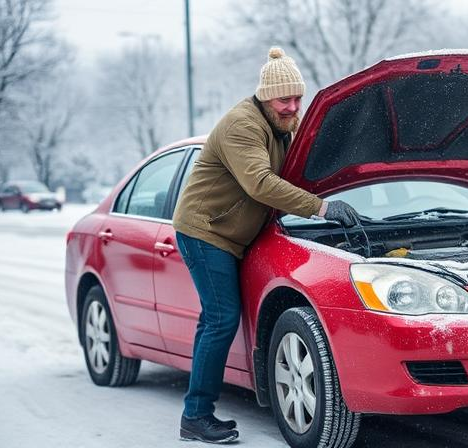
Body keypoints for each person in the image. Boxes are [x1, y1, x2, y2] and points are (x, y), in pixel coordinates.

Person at [171, 47, 359, 444]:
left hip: (234, 233)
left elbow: (309, 166)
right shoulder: (243, 125)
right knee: (221, 319)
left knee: (216, 321)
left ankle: (197, 411)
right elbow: (260, 183)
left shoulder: (285, 123)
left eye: (297, 98)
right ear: (265, 97)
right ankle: (196, 416)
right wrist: (322, 208)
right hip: (206, 231)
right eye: (284, 99)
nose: (292, 107)